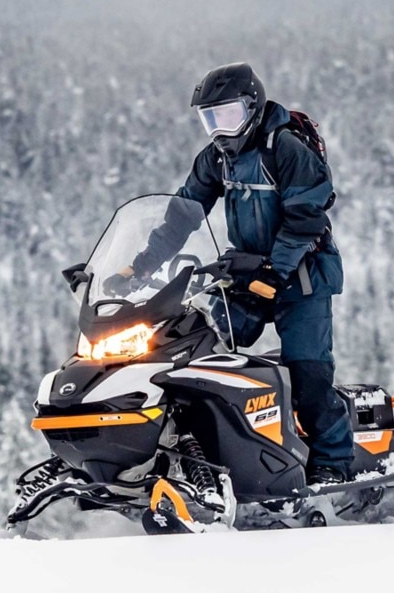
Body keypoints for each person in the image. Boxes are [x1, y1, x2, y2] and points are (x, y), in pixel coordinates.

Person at [106, 62, 353, 485]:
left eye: (228, 116)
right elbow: (182, 215)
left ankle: (333, 464)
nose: (220, 130)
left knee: (308, 372)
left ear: (252, 107)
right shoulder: (217, 158)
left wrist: (276, 271)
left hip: (302, 276)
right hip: (248, 275)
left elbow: (305, 218)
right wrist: (138, 266)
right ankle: (207, 453)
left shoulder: (285, 148)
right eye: (210, 119)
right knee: (196, 358)